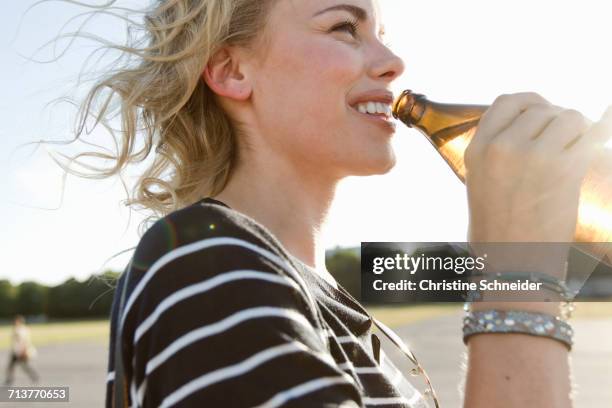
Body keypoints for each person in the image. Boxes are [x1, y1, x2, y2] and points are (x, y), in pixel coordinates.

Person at [43, 0, 610, 406]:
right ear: (233, 70)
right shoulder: (202, 264)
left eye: (382, 31)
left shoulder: (303, 288)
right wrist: (516, 274)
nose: (393, 61)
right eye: (344, 27)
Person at [3, 315, 39, 385]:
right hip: (16, 351)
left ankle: (34, 377)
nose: (15, 322)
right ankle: (9, 379)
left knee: (23, 366)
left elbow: (24, 341)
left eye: (16, 321)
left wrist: (23, 350)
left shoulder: (21, 330)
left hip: (20, 351)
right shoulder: (17, 329)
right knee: (12, 366)